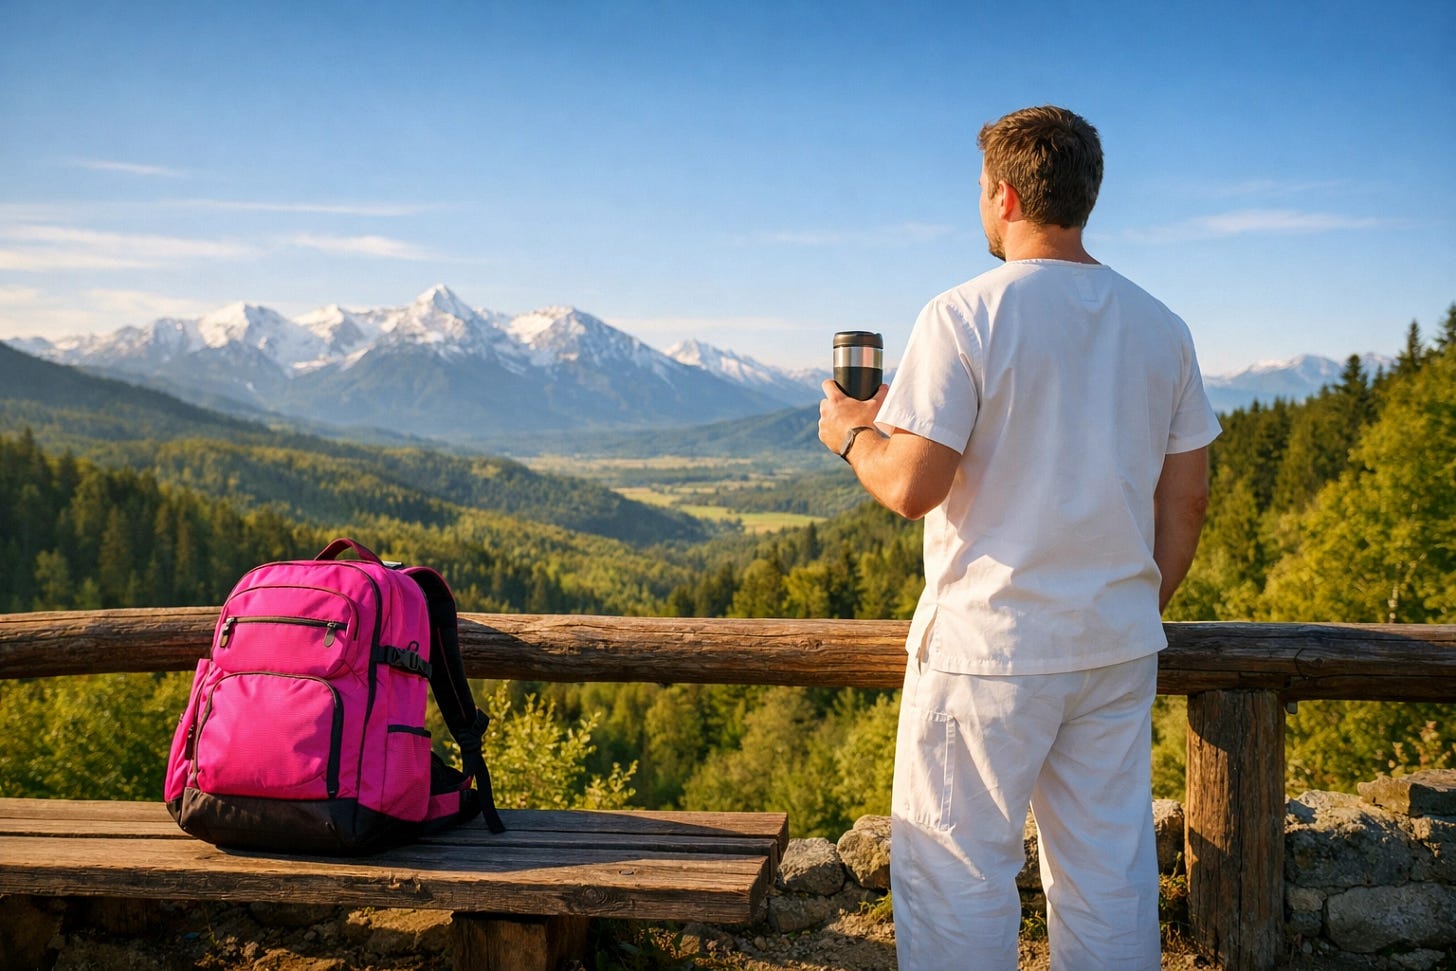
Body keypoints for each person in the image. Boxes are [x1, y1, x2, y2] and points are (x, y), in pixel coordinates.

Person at [818, 105, 1220, 971]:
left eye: (978, 190)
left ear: (1004, 195)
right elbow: (1185, 502)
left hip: (989, 650)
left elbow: (911, 487)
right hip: (1114, 646)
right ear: (1085, 196)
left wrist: (853, 433)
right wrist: (1131, 604)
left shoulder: (965, 314)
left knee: (958, 873)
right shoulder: (1162, 326)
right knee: (1108, 877)